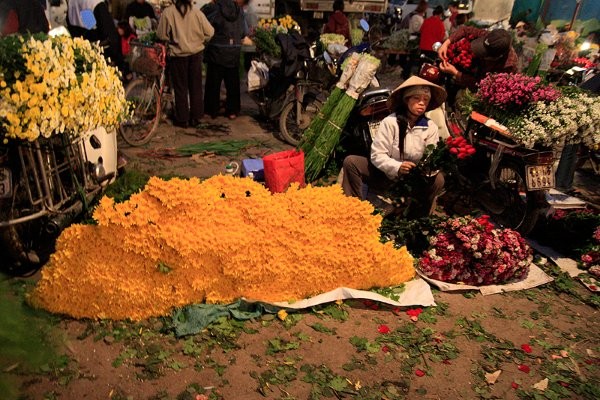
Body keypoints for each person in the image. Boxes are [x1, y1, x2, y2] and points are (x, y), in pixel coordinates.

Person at [342, 76, 447, 217]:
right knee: (351, 162)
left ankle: (416, 217)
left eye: (425, 100)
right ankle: (352, 210)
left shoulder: (430, 127)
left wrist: (423, 169)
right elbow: (377, 154)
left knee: (439, 179)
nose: (421, 103)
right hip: (385, 176)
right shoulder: (390, 122)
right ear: (406, 100)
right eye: (416, 98)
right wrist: (397, 167)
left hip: (412, 181)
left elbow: (431, 156)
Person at [156, 0, 214, 128]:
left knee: (180, 88)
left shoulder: (168, 12)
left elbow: (161, 35)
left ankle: (183, 119)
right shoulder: (197, 12)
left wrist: (172, 39)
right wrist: (200, 41)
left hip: (178, 56)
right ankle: (197, 117)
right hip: (196, 54)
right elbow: (210, 32)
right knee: (196, 87)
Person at [437, 26, 518, 92]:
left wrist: (455, 72)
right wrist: (447, 43)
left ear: (497, 57)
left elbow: (482, 84)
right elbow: (465, 30)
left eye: (484, 54)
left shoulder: (508, 66)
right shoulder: (493, 38)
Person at [202, 0, 246, 120]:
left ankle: (211, 111)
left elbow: (204, 26)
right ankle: (232, 111)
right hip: (234, 50)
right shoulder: (239, 10)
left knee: (213, 83)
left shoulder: (214, 8)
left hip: (217, 49)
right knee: (233, 83)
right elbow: (244, 32)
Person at [67, 0, 124, 72]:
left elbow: (85, 23)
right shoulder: (94, 3)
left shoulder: (72, 2)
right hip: (97, 54)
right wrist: (119, 61)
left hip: (78, 51)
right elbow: (108, 33)